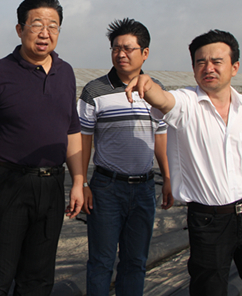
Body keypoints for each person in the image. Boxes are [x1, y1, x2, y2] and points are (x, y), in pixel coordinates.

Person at [125, 29, 242, 296]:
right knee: (209, 289)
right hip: (208, 221)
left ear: (234, 67)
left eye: (217, 61)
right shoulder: (186, 103)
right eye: (201, 62)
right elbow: (164, 99)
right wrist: (147, 84)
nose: (208, 68)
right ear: (194, 69)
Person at [0, 0, 84, 295]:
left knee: (38, 278)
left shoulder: (66, 73)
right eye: (37, 24)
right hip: (7, 185)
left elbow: (72, 131)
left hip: (52, 186)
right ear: (20, 29)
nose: (45, 33)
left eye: (53, 26)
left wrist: (79, 182)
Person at [77, 18, 173, 296]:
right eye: (116, 48)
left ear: (145, 53)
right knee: (101, 262)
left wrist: (167, 177)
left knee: (135, 262)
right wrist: (82, 183)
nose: (121, 54)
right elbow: (83, 140)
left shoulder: (156, 91)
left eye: (128, 49)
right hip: (106, 188)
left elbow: (161, 137)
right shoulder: (94, 91)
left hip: (144, 188)